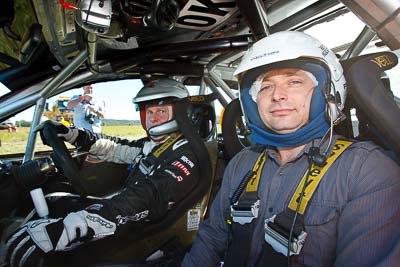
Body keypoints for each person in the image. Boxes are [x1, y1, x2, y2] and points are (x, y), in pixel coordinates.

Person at [182, 31, 400, 266]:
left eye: (294, 82)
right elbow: (211, 241)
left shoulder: (366, 171)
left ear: (327, 93)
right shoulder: (242, 163)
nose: (277, 95)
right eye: (265, 87)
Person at [1, 78, 200, 266]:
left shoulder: (187, 153)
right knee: (60, 202)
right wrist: (72, 135)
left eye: (162, 111)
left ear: (180, 113)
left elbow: (149, 195)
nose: (154, 119)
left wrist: (74, 227)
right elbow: (114, 147)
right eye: (150, 112)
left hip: (145, 233)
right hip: (125, 216)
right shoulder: (152, 146)